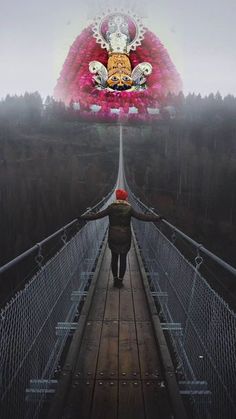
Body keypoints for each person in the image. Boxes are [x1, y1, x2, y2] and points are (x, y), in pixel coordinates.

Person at [80, 189, 164, 287]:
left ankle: (115, 280)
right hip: (125, 237)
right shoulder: (129, 208)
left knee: (114, 258)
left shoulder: (111, 207)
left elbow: (97, 216)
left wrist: (83, 217)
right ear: (125, 197)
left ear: (117, 197)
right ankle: (120, 281)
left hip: (113, 236)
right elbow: (141, 217)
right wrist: (157, 218)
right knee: (123, 258)